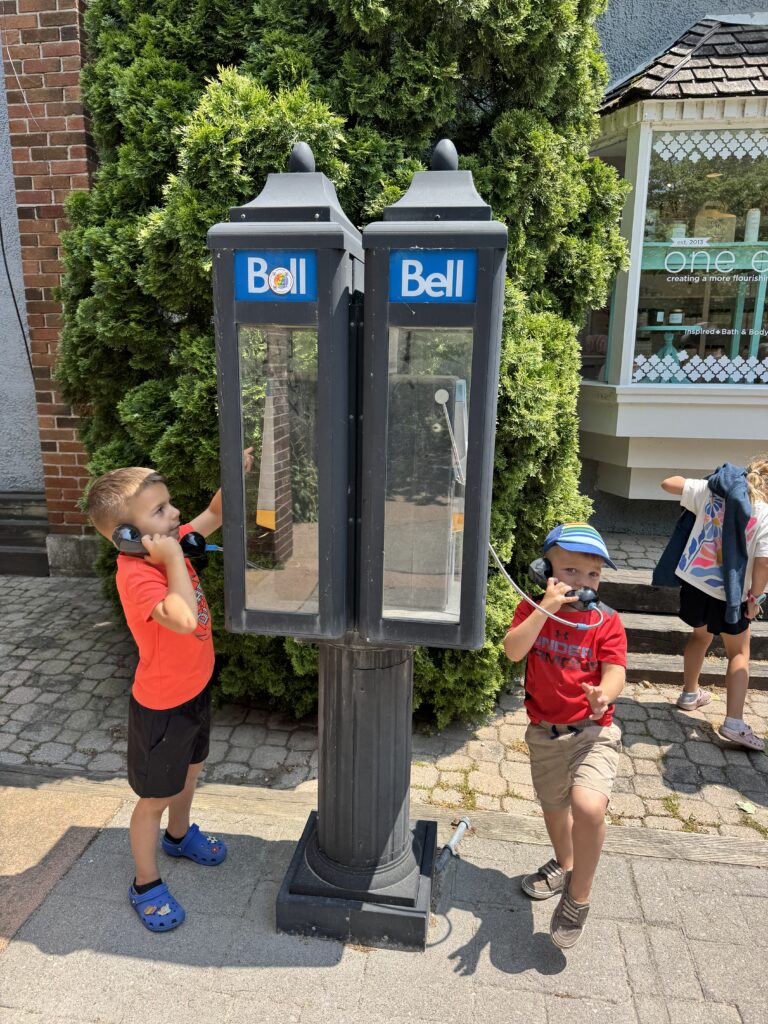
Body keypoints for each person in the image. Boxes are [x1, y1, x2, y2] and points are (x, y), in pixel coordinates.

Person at [85, 452, 252, 931]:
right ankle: (145, 883)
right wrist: (175, 558)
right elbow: (181, 618)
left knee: (190, 772)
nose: (176, 514)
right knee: (154, 798)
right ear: (127, 535)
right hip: (161, 706)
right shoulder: (137, 574)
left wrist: (235, 474)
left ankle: (178, 836)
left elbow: (214, 514)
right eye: (160, 510)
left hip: (194, 691)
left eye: (169, 504)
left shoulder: (165, 545)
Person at [504, 523, 626, 951]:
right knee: (555, 809)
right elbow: (513, 650)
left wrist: (604, 695)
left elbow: (616, 669)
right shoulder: (531, 609)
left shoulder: (605, 621)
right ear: (545, 570)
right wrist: (544, 608)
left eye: (592, 574)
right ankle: (565, 862)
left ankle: (578, 897)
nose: (582, 582)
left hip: (593, 730)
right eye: (570, 571)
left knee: (587, 806)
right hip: (544, 733)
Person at [659, 458, 768, 752]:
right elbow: (763, 563)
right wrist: (755, 600)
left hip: (695, 584)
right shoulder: (764, 513)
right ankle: (734, 722)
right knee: (739, 653)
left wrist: (708, 483)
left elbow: (668, 483)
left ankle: (689, 694)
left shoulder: (714, 492)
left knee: (700, 636)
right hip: (732, 594)